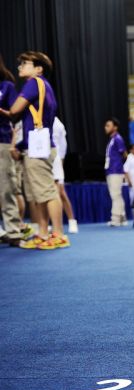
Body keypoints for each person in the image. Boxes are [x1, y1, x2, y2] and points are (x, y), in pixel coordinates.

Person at [0, 51, 68, 249]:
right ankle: (43, 233)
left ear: (39, 69)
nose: (20, 66)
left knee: (46, 191)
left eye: (25, 63)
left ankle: (59, 234)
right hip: (33, 145)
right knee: (35, 194)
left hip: (38, 146)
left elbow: (13, 110)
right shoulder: (41, 85)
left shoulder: (34, 83)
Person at [0, 54, 23, 246]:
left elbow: (15, 114)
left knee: (6, 188)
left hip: (2, 141)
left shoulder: (6, 86)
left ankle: (14, 231)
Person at [51, 116, 78, 233]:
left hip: (56, 159)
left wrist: (60, 162)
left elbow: (63, 146)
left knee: (61, 192)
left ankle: (72, 221)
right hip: (43, 158)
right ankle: (52, 223)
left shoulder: (58, 124)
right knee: (47, 193)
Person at [104, 117, 129, 227]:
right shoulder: (112, 139)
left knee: (115, 195)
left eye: (108, 125)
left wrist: (121, 167)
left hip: (116, 170)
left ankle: (115, 219)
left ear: (115, 127)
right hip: (110, 169)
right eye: (105, 126)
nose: (105, 128)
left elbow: (124, 154)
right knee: (117, 195)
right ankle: (122, 218)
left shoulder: (118, 139)